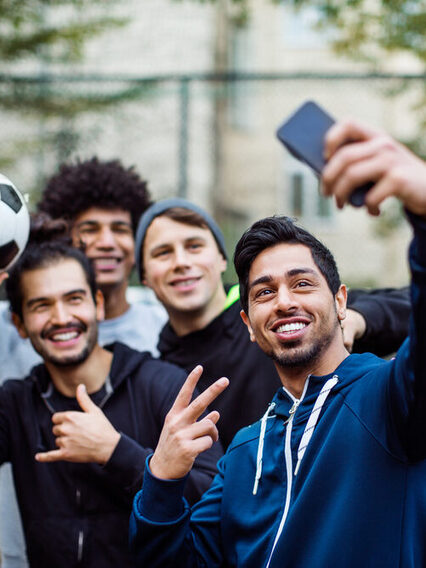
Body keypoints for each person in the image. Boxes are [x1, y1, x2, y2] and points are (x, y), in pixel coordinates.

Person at [130, 120, 426, 567]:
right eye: (264, 292)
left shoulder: (390, 396)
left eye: (302, 284)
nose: (284, 301)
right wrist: (161, 479)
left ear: (341, 301)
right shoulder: (244, 451)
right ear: (249, 324)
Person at [0, 220, 221, 568]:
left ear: (98, 304)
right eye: (41, 306)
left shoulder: (162, 385)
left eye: (74, 299)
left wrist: (116, 453)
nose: (62, 317)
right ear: (20, 324)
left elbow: (213, 501)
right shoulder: (15, 403)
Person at [134, 198, 410, 449]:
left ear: (220, 258)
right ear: (143, 275)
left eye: (194, 246)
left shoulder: (295, 307)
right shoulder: (160, 375)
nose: (181, 262)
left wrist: (355, 319)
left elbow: (409, 306)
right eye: (163, 253)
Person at [0, 157, 167, 568]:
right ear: (20, 321)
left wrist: (115, 451)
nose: (106, 241)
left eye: (120, 229)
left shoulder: (162, 347)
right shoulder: (16, 393)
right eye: (90, 229)